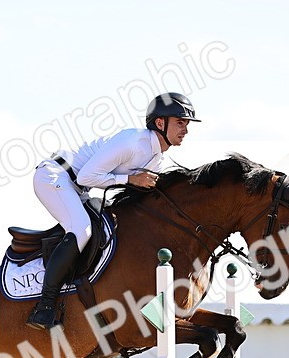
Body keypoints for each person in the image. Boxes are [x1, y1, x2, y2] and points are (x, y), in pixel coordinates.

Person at [25, 91, 201, 330]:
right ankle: (44, 307)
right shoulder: (133, 141)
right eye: (180, 122)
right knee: (82, 229)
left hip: (79, 188)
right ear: (160, 123)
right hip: (55, 176)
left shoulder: (157, 158)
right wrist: (131, 179)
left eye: (187, 124)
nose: (186, 130)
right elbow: (88, 174)